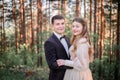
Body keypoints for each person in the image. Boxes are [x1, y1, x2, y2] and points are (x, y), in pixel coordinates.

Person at [44, 14, 72, 80]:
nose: (61, 26)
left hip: (71, 76)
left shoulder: (68, 39)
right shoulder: (49, 42)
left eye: (62, 23)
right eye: (57, 24)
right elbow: (52, 65)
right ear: (52, 26)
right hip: (58, 77)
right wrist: (72, 66)